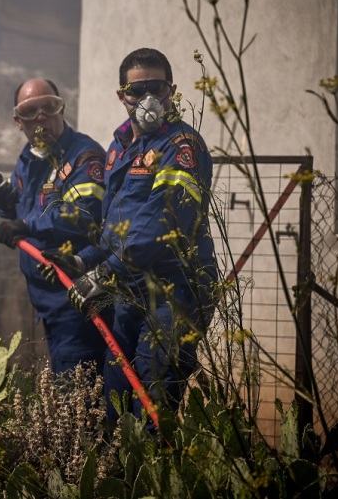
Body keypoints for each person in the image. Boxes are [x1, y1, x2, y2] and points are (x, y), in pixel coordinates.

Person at [55, 48, 218, 426]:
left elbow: (163, 223)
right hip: (131, 291)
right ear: (121, 95)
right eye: (136, 90)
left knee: (152, 404)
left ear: (171, 91)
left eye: (155, 88)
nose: (147, 98)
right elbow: (118, 224)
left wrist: (104, 273)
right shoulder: (119, 147)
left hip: (175, 292)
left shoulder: (182, 146)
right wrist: (85, 259)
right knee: (115, 400)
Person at [0, 78, 109, 375]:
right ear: (18, 122)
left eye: (49, 107)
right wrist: (6, 205)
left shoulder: (85, 156)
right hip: (45, 302)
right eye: (30, 111)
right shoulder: (28, 159)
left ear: (62, 109)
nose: (41, 117)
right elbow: (26, 210)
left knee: (76, 388)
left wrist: (24, 224)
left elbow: (82, 214)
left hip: (77, 298)